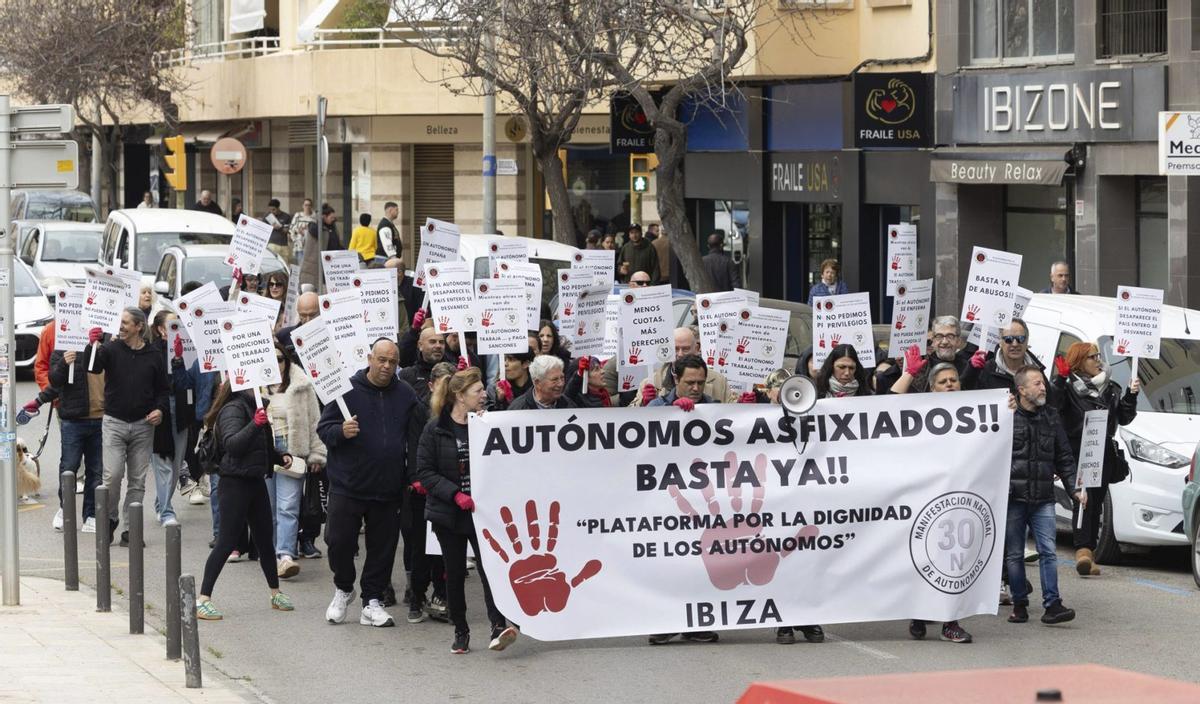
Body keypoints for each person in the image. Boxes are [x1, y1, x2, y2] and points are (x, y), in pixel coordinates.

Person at [318, 339, 423, 628]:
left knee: (383, 548)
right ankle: (343, 587)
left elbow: (419, 431)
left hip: (387, 488)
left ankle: (372, 601)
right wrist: (340, 430)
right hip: (347, 485)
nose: (387, 366)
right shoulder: (346, 391)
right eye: (382, 360)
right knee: (338, 542)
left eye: (393, 362)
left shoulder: (405, 394)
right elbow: (323, 429)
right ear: (369, 358)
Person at [417, 367, 518, 654]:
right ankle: (460, 630)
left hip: (482, 514)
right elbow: (424, 472)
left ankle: (498, 626)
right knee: (455, 571)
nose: (483, 394)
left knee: (490, 570)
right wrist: (455, 494)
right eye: (477, 391)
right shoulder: (435, 428)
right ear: (460, 396)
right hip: (449, 514)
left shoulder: (485, 423)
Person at [194, 381, 295, 620]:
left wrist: (280, 457)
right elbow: (233, 445)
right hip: (234, 484)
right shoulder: (233, 409)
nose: (261, 386)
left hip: (255, 481)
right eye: (256, 383)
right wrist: (255, 424)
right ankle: (203, 599)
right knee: (226, 542)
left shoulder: (255, 407)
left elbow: (261, 448)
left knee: (264, 540)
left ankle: (275, 592)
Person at [1052, 342, 1139, 576]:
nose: (1098, 360)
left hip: (1104, 454)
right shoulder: (1068, 387)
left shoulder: (1111, 388)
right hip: (1078, 451)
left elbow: (1124, 417)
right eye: (1092, 357)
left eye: (1098, 355)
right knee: (1083, 499)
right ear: (1080, 361)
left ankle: (1087, 551)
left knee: (1096, 501)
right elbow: (1054, 405)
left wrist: (1131, 395)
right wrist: (1059, 381)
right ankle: (1082, 549)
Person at [905, 362, 975, 643]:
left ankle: (950, 622)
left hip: (959, 500)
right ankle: (920, 613)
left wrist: (1007, 408)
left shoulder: (975, 413)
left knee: (953, 561)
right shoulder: (918, 412)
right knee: (926, 559)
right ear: (932, 388)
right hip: (925, 499)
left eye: (954, 380)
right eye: (943, 381)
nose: (950, 385)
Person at [1007, 365, 1082, 626]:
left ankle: (1053, 604)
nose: (1043, 388)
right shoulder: (1007, 415)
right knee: (1014, 554)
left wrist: (1074, 488)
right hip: (1013, 499)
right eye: (1037, 384)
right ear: (1022, 390)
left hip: (1043, 498)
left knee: (1048, 551)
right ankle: (1019, 603)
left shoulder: (1051, 417)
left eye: (1043, 383)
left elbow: (1063, 456)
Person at [87, 309, 168, 547]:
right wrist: (93, 344)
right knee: (112, 476)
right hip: (114, 423)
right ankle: (110, 519)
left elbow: (163, 390)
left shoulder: (153, 355)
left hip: (143, 426)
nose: (120, 326)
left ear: (139, 327)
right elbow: (92, 367)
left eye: (124, 323)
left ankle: (130, 530)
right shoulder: (111, 349)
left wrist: (160, 410)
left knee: (137, 481)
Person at [31, 333, 106, 533]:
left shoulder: (106, 345)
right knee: (69, 467)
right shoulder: (66, 346)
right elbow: (55, 380)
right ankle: (65, 510)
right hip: (74, 419)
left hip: (102, 419)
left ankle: (90, 514)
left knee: (96, 471)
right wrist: (64, 362)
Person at [264, 343, 326, 580]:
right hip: (265, 452)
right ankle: (270, 553)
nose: (276, 364)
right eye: (271, 360)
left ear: (287, 360)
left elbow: (314, 420)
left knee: (288, 507)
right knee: (267, 507)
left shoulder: (302, 386)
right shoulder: (255, 388)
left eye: (280, 359)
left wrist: (317, 454)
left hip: (293, 450)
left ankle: (285, 555)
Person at [631, 328, 735, 406]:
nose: (680, 354)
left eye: (685, 349)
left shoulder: (718, 381)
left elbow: (733, 415)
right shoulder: (650, 382)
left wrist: (744, 406)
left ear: (697, 348)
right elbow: (629, 420)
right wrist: (644, 404)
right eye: (675, 349)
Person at [149, 311, 185, 528]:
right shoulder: (152, 352)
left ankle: (161, 503)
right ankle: (166, 511)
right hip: (160, 409)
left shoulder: (187, 349)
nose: (176, 328)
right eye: (172, 325)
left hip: (182, 408)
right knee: (163, 463)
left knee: (177, 463)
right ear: (161, 329)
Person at [965, 318, 1047, 395]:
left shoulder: (1037, 370)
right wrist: (971, 370)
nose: (1015, 344)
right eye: (1008, 339)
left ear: (1027, 341)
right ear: (1000, 342)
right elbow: (966, 396)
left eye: (1020, 339)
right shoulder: (987, 370)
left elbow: (1051, 404)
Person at [909, 316, 977, 393]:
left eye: (950, 336)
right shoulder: (923, 368)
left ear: (958, 341)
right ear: (933, 341)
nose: (944, 342)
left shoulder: (968, 367)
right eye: (939, 336)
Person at [400, 318, 452, 405]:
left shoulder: (453, 373)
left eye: (441, 342)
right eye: (432, 342)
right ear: (420, 345)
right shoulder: (408, 375)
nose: (438, 346)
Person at [507, 355, 576, 410]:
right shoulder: (518, 409)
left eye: (562, 378)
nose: (561, 384)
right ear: (537, 382)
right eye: (554, 380)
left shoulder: (569, 406)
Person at [300, 204, 342, 290]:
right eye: (331, 218)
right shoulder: (315, 227)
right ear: (324, 217)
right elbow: (313, 229)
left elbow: (337, 244)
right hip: (315, 266)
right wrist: (319, 219)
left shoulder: (332, 228)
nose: (333, 220)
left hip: (330, 265)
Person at [289, 198, 317, 265]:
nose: (307, 207)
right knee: (299, 266)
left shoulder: (315, 217)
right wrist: (298, 231)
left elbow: (316, 230)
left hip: (310, 247)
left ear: (311, 206)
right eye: (306, 205)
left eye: (309, 205)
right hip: (299, 245)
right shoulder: (298, 215)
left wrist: (306, 231)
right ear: (303, 206)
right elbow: (291, 228)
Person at [265, 198, 293, 264]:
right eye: (270, 210)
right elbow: (263, 229)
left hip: (283, 245)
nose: (272, 212)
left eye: (274, 210)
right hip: (272, 244)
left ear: (278, 208)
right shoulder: (267, 216)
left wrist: (279, 227)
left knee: (285, 264)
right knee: (272, 264)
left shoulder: (286, 216)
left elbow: (287, 230)